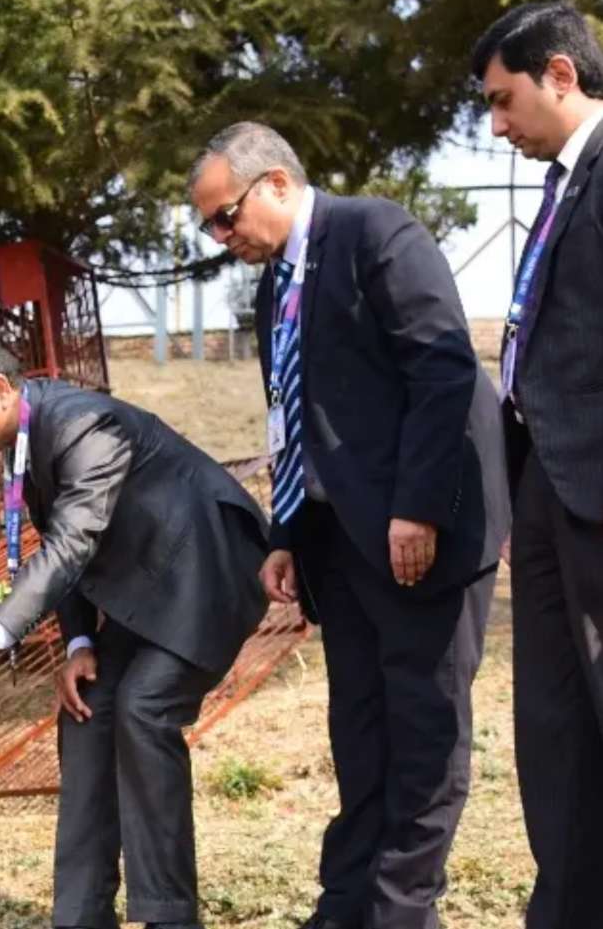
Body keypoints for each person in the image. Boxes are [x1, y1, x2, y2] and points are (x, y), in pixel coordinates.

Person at [187, 122, 507, 929]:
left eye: (225, 217)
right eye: (209, 228)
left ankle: (401, 911)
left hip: (423, 534)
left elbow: (442, 368)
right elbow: (291, 420)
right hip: (342, 547)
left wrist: (419, 507)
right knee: (362, 733)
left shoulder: (375, 233)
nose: (223, 239)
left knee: (425, 734)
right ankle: (347, 905)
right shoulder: (273, 289)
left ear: (277, 185)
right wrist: (287, 533)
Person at [0, 332, 270, 929]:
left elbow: (72, 544)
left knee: (144, 708)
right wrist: (79, 643)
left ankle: (169, 917)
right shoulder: (28, 441)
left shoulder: (80, 425)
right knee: (87, 712)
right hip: (144, 593)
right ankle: (80, 916)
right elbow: (63, 548)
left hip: (209, 573)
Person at [470, 4, 603, 928]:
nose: (496, 123)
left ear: (561, 74)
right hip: (550, 491)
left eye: (503, 98)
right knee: (554, 729)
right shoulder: (562, 186)